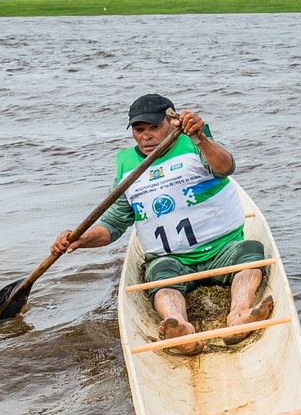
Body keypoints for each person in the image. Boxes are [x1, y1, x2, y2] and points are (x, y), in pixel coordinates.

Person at [52, 94, 270, 347]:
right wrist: (81, 239)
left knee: (251, 252)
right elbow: (113, 224)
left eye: (154, 127)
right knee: (159, 277)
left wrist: (201, 138)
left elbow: (225, 167)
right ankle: (181, 328)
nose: (146, 136)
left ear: (172, 123)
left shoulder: (195, 143)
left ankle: (239, 314)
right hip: (172, 260)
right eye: (139, 129)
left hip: (222, 249)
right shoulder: (127, 165)